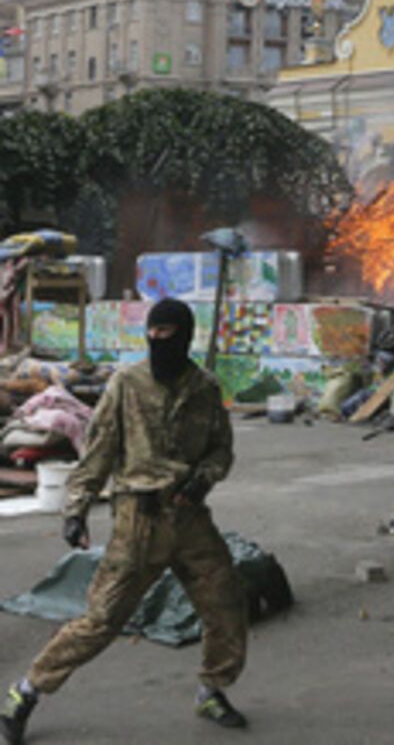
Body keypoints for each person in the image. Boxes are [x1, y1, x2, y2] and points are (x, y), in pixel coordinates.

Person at [2, 299, 248, 744]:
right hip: (139, 520)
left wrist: (204, 479)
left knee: (225, 604)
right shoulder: (127, 384)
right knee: (100, 621)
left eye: (167, 335)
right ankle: (23, 694)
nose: (157, 343)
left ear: (186, 337)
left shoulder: (205, 388)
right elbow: (98, 451)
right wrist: (74, 510)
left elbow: (220, 449)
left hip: (190, 519)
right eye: (151, 335)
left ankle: (212, 690)